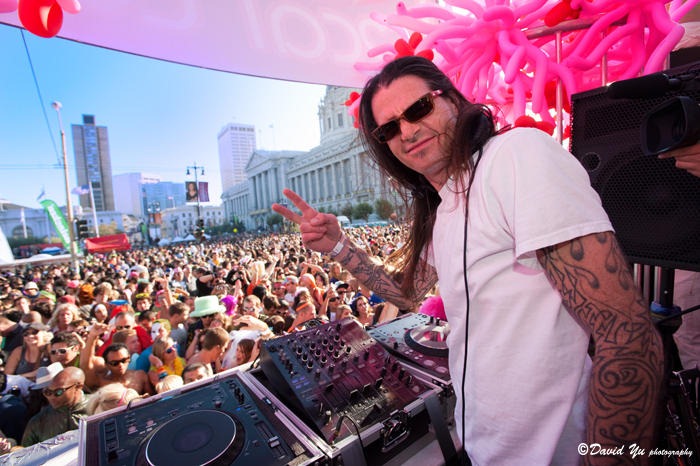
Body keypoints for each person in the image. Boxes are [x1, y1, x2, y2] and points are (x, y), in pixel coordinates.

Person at [273, 56, 663, 464]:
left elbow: (627, 336)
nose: (407, 131)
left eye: (419, 108)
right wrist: (338, 246)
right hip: (485, 447)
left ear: (454, 100)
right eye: (389, 129)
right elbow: (406, 294)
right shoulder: (444, 207)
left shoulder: (516, 155)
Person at [21, 366, 89, 447]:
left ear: (78, 387)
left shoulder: (97, 408)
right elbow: (24, 451)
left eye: (59, 392)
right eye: (47, 392)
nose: (52, 397)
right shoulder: (38, 422)